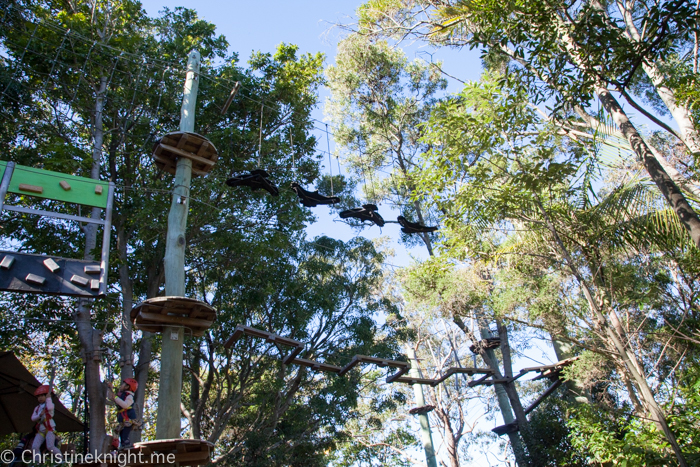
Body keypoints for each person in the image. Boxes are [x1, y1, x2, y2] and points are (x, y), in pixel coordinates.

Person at [30, 385, 62, 463]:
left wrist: (48, 398)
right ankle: (38, 462)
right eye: (38, 396)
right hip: (41, 430)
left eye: (42, 396)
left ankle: (61, 460)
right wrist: (40, 415)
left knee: (50, 446)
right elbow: (33, 418)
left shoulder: (49, 404)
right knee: (34, 447)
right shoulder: (37, 408)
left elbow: (50, 408)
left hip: (50, 428)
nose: (40, 398)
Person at [106, 378, 138, 450]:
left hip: (128, 419)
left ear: (127, 387)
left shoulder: (129, 396)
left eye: (123, 384)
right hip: (123, 419)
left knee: (124, 435)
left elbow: (125, 405)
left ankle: (127, 446)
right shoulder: (121, 394)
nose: (121, 385)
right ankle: (122, 447)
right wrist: (109, 388)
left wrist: (116, 398)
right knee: (121, 433)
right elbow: (111, 397)